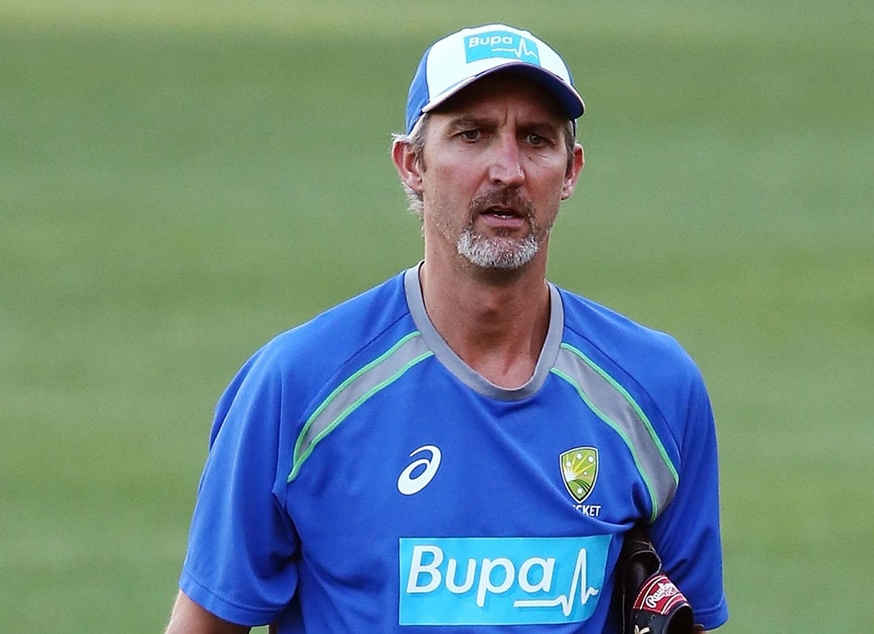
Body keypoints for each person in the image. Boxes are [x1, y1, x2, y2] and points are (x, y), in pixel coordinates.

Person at [165, 23, 728, 634]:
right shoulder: (295, 389)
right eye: (472, 134)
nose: (507, 170)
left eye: (536, 139)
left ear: (570, 171)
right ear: (413, 164)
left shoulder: (657, 390)